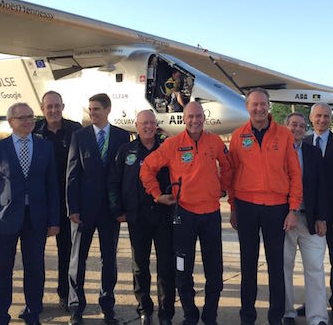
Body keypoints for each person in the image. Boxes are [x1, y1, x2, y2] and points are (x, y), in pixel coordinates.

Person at [140, 101, 232, 325]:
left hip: (210, 215)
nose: (195, 121)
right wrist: (157, 195)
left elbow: (228, 166)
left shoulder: (215, 142)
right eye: (190, 117)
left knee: (214, 270)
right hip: (184, 215)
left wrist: (222, 187)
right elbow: (146, 169)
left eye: (198, 116)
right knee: (182, 269)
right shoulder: (173, 145)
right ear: (184, 119)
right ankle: (190, 315)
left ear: (204, 118)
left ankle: (210, 315)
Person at [0, 102, 60, 325]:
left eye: (30, 117)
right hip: (5, 219)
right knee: (2, 271)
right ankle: (1, 315)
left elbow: (52, 186)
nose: (28, 121)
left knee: (35, 269)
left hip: (36, 218)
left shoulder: (45, 147)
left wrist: (54, 219)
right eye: (23, 118)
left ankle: (33, 311)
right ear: (11, 122)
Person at [228, 88, 302, 325]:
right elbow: (230, 176)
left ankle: (276, 317)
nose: (259, 109)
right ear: (247, 107)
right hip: (246, 206)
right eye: (254, 105)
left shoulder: (284, 134)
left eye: (263, 104)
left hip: (276, 209)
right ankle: (247, 317)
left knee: (276, 267)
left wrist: (293, 209)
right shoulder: (238, 136)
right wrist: (233, 208)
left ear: (268, 106)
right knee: (247, 265)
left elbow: (294, 173)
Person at [66, 93, 130, 325]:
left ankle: (107, 305)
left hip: (110, 211)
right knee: (77, 260)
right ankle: (76, 307)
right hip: (83, 210)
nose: (92, 113)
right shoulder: (80, 136)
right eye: (90, 109)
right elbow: (72, 175)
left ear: (108, 110)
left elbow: (125, 176)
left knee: (109, 259)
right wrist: (72, 207)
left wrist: (122, 207)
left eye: (96, 109)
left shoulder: (123, 137)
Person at [109, 110, 174, 325]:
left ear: (157, 125)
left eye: (151, 123)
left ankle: (166, 313)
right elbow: (113, 182)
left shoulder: (167, 149)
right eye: (143, 123)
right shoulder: (126, 150)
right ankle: (144, 309)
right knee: (140, 267)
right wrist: (117, 209)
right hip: (137, 217)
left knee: (165, 266)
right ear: (136, 126)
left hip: (164, 217)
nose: (148, 127)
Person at [302, 102, 333, 325]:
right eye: (318, 116)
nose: (322, 120)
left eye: (326, 116)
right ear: (311, 118)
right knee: (311, 263)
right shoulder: (302, 143)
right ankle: (313, 304)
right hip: (309, 214)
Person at [32, 91, 82, 311]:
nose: (53, 110)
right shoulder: (34, 132)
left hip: (66, 202)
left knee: (67, 253)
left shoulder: (76, 130)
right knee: (34, 254)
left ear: (63, 106)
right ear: (42, 109)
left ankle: (65, 294)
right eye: (48, 107)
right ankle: (34, 299)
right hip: (39, 201)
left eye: (56, 106)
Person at [282, 112, 328, 325]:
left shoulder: (313, 152)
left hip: (309, 220)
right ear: (286, 126)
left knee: (315, 268)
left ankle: (317, 317)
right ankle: (287, 313)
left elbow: (321, 187)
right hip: (284, 220)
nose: (297, 129)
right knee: (283, 267)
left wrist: (321, 217)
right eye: (293, 125)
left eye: (301, 125)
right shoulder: (277, 150)